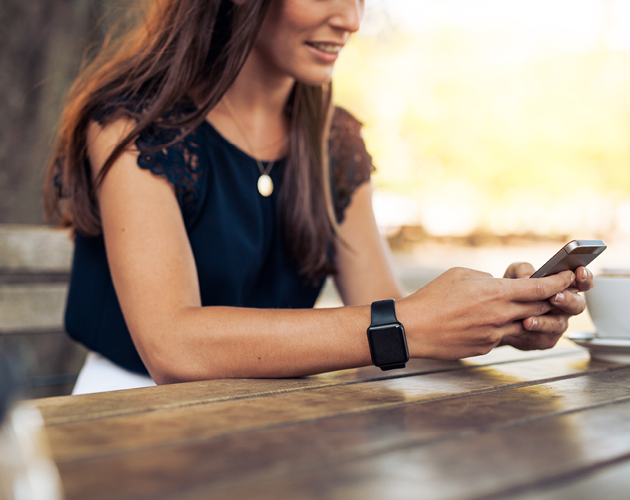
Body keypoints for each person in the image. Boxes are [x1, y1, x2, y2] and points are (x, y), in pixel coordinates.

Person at [44, 0, 593, 395]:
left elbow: (394, 320)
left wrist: (491, 320)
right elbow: (173, 348)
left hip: (282, 413)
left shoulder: (335, 142)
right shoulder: (134, 126)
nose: (352, 19)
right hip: (129, 415)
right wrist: (408, 323)